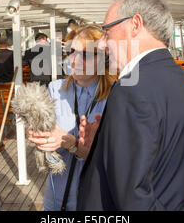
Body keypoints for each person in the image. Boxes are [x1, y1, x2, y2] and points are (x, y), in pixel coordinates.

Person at [77, 0, 184, 211]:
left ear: (135, 24)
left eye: (107, 31)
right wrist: (104, 144)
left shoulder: (131, 89)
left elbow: (133, 196)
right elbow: (164, 161)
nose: (102, 44)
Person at [27, 25, 118, 211]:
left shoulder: (116, 96)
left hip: (96, 201)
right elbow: (45, 137)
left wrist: (71, 143)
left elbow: (113, 160)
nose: (73, 60)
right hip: (57, 199)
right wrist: (39, 136)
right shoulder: (55, 89)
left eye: (84, 54)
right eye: (72, 52)